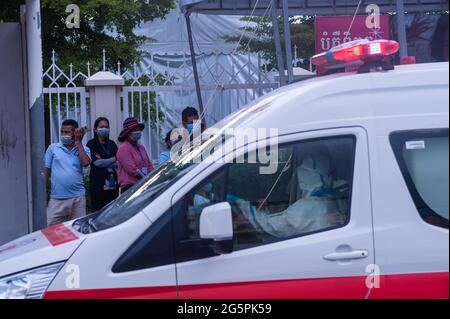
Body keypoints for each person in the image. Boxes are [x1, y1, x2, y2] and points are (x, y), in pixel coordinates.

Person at [45, 119, 91, 226]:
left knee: (78, 230)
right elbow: (46, 171)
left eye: (67, 132)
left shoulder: (84, 149)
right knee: (51, 232)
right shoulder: (53, 148)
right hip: (56, 199)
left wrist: (78, 142)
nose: (63, 135)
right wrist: (44, 193)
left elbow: (85, 163)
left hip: (78, 198)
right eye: (61, 132)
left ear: (75, 133)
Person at [87, 117, 119, 212]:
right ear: (95, 129)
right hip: (98, 185)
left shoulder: (112, 144)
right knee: (98, 213)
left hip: (112, 184)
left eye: (106, 126)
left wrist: (105, 161)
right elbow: (97, 163)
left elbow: (118, 163)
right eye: (102, 126)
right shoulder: (91, 144)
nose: (104, 128)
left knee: (111, 212)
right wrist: (114, 158)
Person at [116, 117, 154, 193]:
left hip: (143, 184)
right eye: (135, 130)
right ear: (128, 132)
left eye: (138, 129)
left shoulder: (141, 147)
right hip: (130, 187)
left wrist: (153, 176)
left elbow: (149, 165)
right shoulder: (123, 148)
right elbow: (132, 170)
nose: (138, 131)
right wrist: (147, 178)